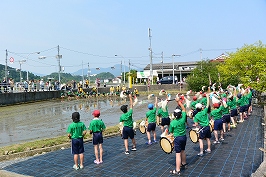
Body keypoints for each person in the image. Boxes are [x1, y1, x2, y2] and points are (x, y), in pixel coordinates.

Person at [169, 97, 187, 175]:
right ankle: (184, 163)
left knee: (177, 154)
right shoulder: (183, 118)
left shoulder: (172, 122)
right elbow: (184, 109)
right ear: (180, 114)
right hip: (184, 137)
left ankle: (177, 170)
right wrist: (179, 102)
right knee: (183, 151)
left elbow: (171, 132)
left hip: (177, 138)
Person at [193, 92, 211, 156]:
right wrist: (208, 97)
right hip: (208, 126)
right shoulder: (205, 111)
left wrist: (196, 125)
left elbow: (196, 124)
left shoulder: (196, 116)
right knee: (208, 138)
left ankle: (201, 152)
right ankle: (209, 149)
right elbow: (208, 104)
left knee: (200, 140)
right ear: (201, 108)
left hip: (202, 128)